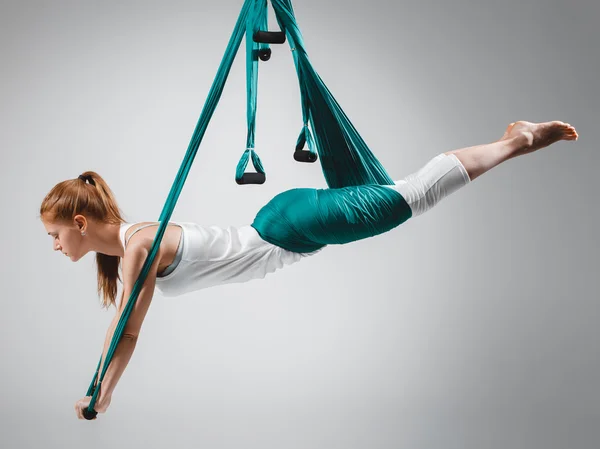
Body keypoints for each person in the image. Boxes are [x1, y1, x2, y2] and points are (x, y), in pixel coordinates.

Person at [39, 120, 578, 419]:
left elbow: (126, 329)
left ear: (80, 223)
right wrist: (105, 387)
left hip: (289, 228)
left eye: (55, 235)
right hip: (285, 224)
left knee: (411, 196)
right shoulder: (128, 249)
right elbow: (124, 325)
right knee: (398, 199)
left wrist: (104, 389)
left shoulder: (138, 247)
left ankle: (516, 140)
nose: (55, 246)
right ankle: (514, 139)